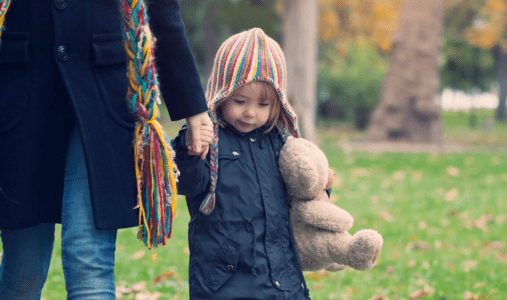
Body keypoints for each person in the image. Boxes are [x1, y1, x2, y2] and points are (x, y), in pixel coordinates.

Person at [0, 0, 212, 299]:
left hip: (101, 98)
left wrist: (192, 106)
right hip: (20, 97)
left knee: (88, 260)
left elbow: (160, 10)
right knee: (25, 269)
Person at [171, 27, 311, 299]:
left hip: (281, 277)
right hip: (224, 279)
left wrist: (318, 187)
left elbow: (304, 189)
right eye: (240, 101)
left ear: (278, 104)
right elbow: (188, 183)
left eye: (263, 104)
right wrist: (190, 146)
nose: (250, 113)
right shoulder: (209, 138)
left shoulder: (281, 143)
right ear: (222, 94)